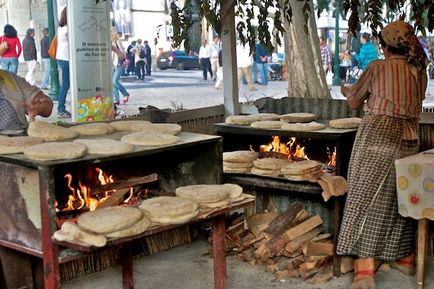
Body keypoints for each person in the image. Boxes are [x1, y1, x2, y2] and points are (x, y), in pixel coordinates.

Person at [337, 20, 428, 289]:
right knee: (399, 198)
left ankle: (365, 271)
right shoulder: (418, 70)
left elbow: (354, 101)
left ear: (386, 46)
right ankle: (405, 259)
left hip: (379, 135)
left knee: (365, 199)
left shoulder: (378, 67)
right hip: (410, 137)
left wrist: (348, 90)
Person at [56, 7, 71, 118]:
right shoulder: (68, 29)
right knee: (65, 84)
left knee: (65, 84)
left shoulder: (61, 28)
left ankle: (61, 108)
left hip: (61, 57)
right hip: (66, 58)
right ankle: (60, 109)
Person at [111, 27, 129, 105]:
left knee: (115, 81)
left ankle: (125, 94)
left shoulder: (117, 41)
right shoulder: (109, 42)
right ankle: (116, 99)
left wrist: (120, 59)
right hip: (112, 65)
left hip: (119, 65)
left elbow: (123, 53)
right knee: (112, 83)